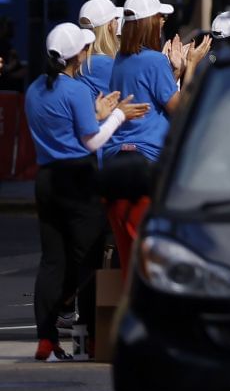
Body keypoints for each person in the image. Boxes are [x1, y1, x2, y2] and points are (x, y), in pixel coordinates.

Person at [25, 24, 146, 361]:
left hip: (47, 180)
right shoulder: (75, 90)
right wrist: (118, 115)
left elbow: (64, 128)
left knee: (51, 261)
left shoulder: (35, 90)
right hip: (79, 179)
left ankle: (46, 341)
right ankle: (93, 339)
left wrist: (97, 114)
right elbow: (91, 140)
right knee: (90, 259)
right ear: (77, 55)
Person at [104, 0, 209, 272]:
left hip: (116, 159)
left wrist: (173, 72)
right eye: (160, 17)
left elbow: (150, 95)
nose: (163, 21)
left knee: (126, 249)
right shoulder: (153, 61)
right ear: (149, 22)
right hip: (147, 160)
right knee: (152, 248)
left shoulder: (121, 60)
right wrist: (191, 67)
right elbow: (179, 108)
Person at [75, 0, 122, 96]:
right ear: (109, 26)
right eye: (115, 19)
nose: (117, 23)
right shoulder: (104, 63)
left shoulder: (79, 59)